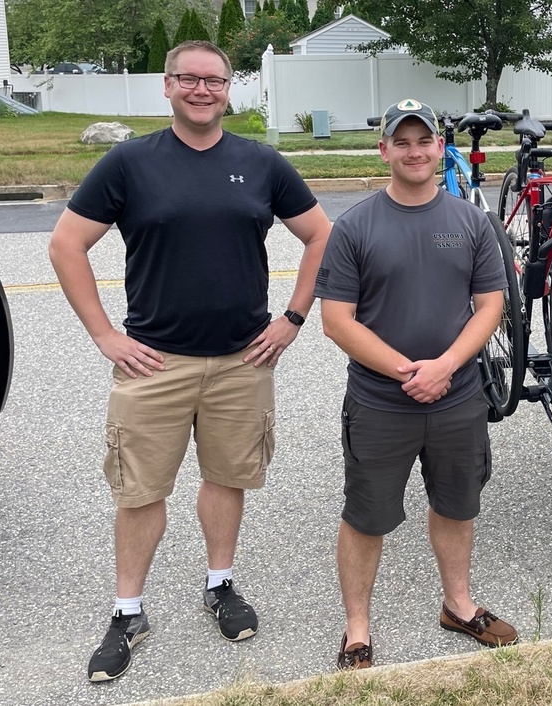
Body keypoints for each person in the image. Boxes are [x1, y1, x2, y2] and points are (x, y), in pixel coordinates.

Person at [48, 40, 331, 682]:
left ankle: (220, 583)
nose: (202, 90)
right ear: (167, 87)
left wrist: (291, 319)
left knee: (228, 478)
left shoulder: (261, 163)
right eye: (188, 79)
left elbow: (320, 235)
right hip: (155, 363)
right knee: (140, 489)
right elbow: (67, 245)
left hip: (242, 362)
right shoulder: (129, 163)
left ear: (230, 89)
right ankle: (127, 612)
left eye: (214, 80)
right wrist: (104, 336)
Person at [314, 98, 517, 670]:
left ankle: (459, 605)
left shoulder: (471, 222)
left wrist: (446, 365)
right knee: (366, 514)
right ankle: (358, 628)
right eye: (401, 142)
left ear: (439, 149)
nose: (414, 151)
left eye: (423, 141)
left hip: (457, 398)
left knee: (457, 505)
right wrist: (411, 371)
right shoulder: (355, 225)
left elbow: (489, 306)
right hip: (381, 402)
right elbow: (337, 321)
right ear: (384, 150)